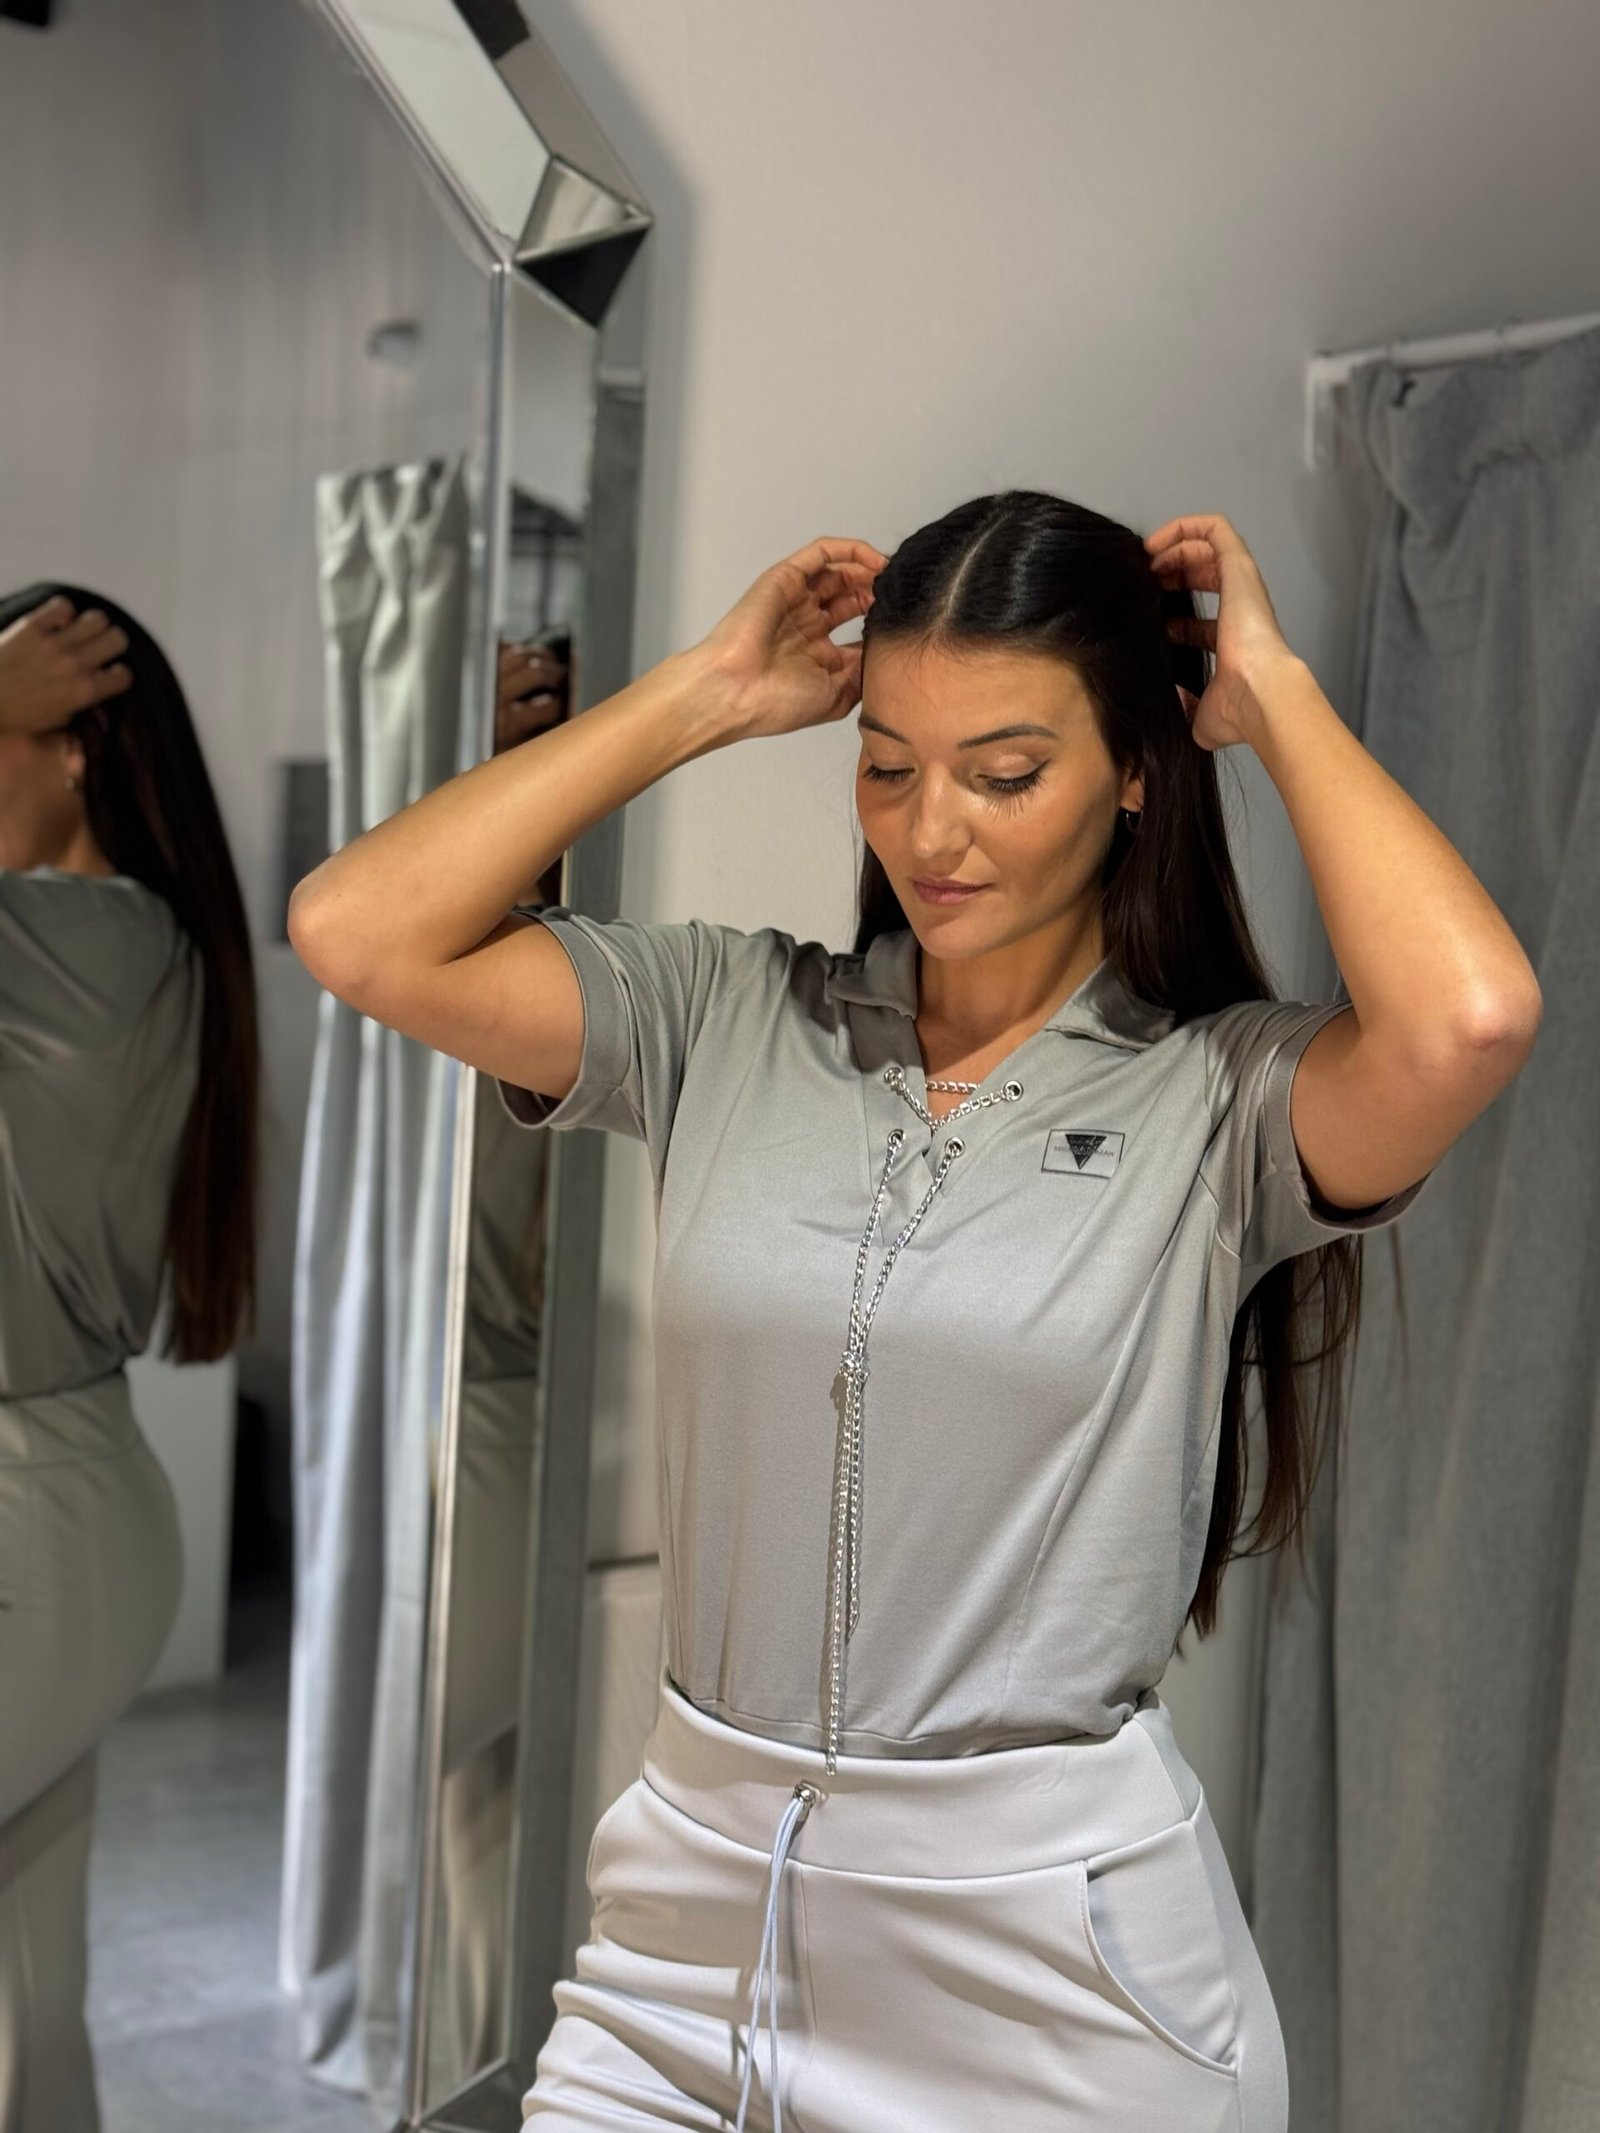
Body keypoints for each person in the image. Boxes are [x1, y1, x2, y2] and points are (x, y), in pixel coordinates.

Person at [287, 493, 1541, 2132]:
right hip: (686, 1930)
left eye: (1004, 773)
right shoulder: (726, 1014)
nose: (932, 829)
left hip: (1049, 1974)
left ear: (1138, 769)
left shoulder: (1220, 1101)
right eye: (889, 765)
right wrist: (703, 695)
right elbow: (355, 929)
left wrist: (1276, 697)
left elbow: (1468, 1019)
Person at [0, 585, 260, 2132]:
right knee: (26, 1973)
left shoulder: (81, 943)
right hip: (64, 1497)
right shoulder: (131, 944)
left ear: (75, 748)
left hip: (26, 1509)